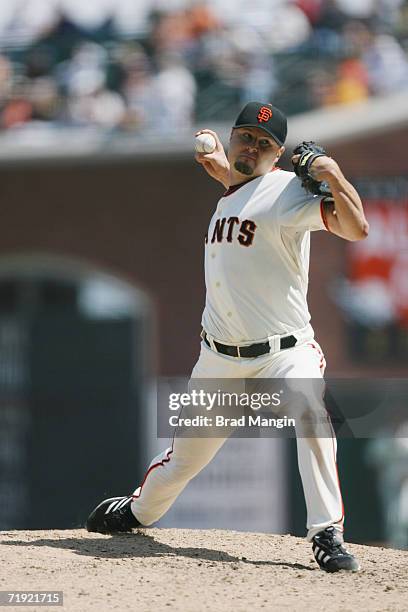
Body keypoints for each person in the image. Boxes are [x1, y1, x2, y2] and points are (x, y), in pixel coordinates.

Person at [86, 101, 369, 573]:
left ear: (277, 155)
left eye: (264, 143)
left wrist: (331, 172)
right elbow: (238, 184)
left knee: (312, 413)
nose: (252, 147)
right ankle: (139, 511)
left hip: (285, 351)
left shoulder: (286, 190)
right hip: (220, 359)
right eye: (245, 136)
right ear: (234, 137)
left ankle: (327, 532)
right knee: (185, 459)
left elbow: (357, 228)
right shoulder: (238, 186)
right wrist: (219, 162)